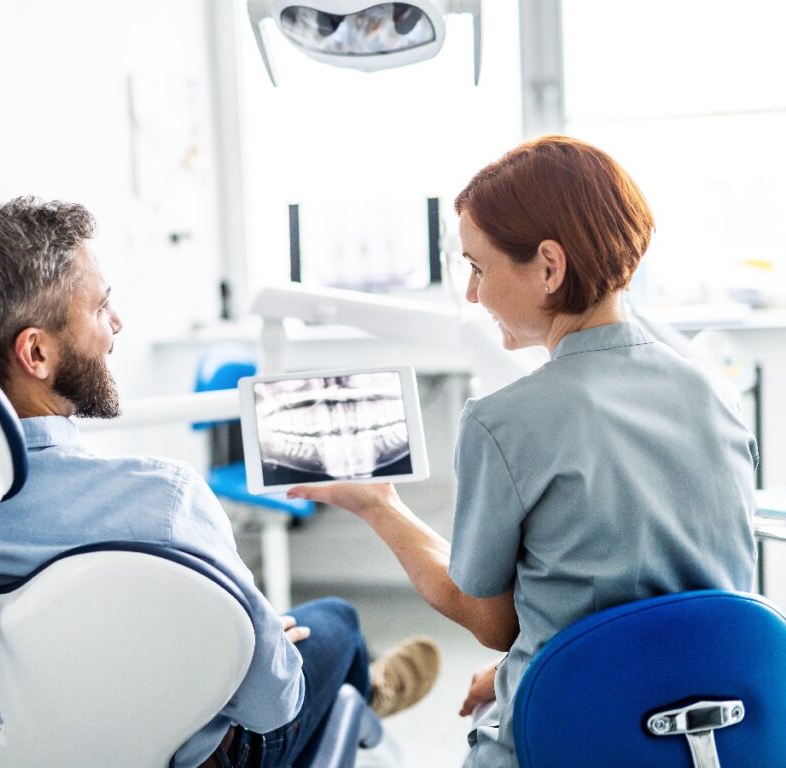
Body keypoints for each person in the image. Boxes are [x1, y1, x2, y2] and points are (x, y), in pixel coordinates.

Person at [0, 197, 441, 768]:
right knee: (333, 625)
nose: (116, 322)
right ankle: (369, 694)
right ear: (35, 354)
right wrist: (261, 644)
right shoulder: (162, 505)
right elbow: (269, 705)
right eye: (98, 307)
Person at [288, 136, 758, 767]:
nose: (472, 296)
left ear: (549, 267)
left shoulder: (503, 423)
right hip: (709, 735)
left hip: (576, 738)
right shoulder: (715, 395)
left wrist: (380, 507)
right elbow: (661, 600)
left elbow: (490, 622)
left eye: (478, 268)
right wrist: (525, 670)